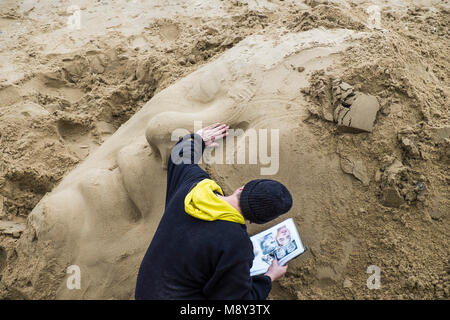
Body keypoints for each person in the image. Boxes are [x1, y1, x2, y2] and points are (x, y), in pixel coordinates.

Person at [135, 123, 293, 300]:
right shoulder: (236, 244)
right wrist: (269, 277)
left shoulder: (194, 186)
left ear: (241, 189)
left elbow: (179, 157)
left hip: (144, 290)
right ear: (254, 221)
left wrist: (199, 138)